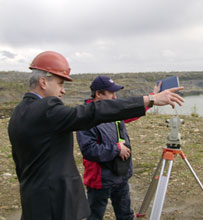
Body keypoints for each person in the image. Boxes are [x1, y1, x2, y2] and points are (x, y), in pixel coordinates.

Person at [8, 51, 184, 220]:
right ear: (43, 82)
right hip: (54, 201)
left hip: (33, 198)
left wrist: (151, 98)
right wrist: (149, 99)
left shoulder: (19, 112)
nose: (63, 91)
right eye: (61, 84)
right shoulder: (47, 109)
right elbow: (93, 112)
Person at [76, 76, 161, 220]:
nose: (116, 97)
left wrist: (153, 98)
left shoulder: (113, 111)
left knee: (125, 214)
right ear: (98, 94)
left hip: (120, 174)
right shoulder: (86, 117)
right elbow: (89, 150)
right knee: (95, 216)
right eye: (111, 93)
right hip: (100, 180)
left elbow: (130, 112)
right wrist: (116, 149)